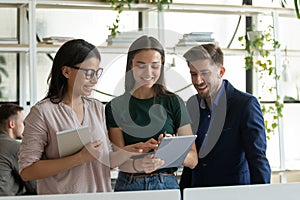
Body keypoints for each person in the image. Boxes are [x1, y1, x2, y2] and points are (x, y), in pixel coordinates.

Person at [18, 39, 132, 194]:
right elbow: (27, 171)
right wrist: (79, 158)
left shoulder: (97, 108)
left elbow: (107, 160)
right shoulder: (42, 113)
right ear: (66, 72)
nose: (95, 80)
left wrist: (133, 151)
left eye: (97, 73)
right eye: (89, 73)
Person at [105, 35, 198, 191]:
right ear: (130, 66)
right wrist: (137, 164)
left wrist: (171, 149)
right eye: (141, 65)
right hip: (129, 185)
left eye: (155, 66)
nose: (148, 72)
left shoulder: (174, 102)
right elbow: (117, 160)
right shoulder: (115, 106)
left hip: (165, 185)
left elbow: (193, 160)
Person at [179, 44, 271, 193]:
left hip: (234, 192)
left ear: (221, 72)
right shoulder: (191, 104)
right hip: (197, 192)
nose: (198, 81)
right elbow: (191, 155)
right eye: (193, 74)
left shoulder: (245, 105)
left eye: (204, 73)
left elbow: (257, 159)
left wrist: (262, 195)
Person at [0, 103, 36, 196]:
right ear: (11, 124)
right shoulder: (14, 147)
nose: (26, 127)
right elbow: (35, 185)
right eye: (23, 123)